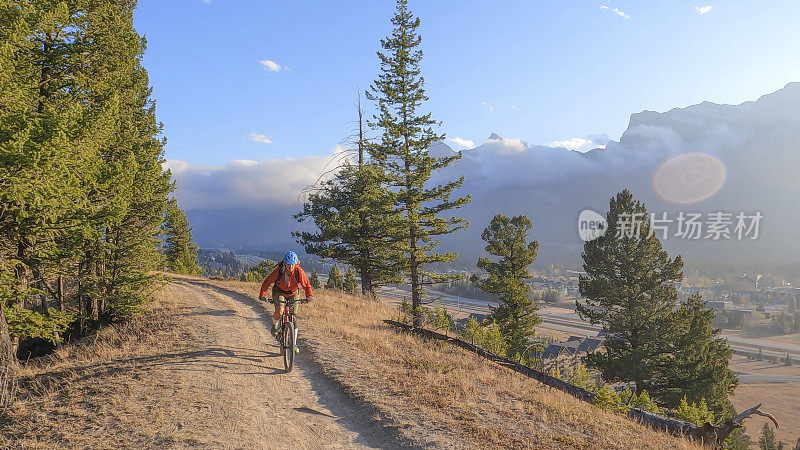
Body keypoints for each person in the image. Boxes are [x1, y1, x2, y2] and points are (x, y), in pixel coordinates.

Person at [259, 251, 314, 352]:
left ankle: (294, 344)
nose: (291, 267)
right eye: (289, 264)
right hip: (279, 291)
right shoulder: (279, 270)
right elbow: (267, 282)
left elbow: (306, 284)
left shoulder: (298, 271)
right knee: (280, 310)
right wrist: (263, 294)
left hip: (293, 293)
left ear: (296, 263)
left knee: (293, 316)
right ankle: (275, 324)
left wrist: (309, 295)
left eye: (293, 264)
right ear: (285, 263)